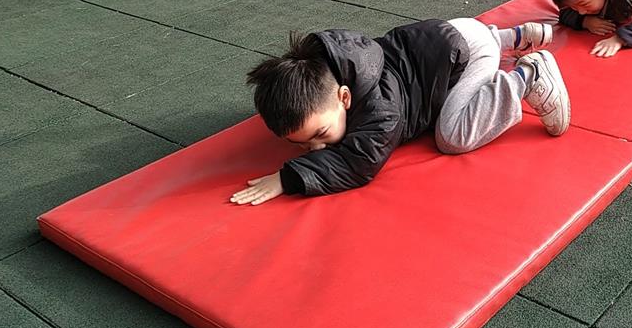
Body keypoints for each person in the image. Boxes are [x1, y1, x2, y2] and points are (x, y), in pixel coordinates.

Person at [231, 18, 570, 205]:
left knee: (452, 136)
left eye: (320, 135)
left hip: (465, 57)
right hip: (454, 37)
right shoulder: (331, 69)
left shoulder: (382, 109)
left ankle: (528, 77)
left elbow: (360, 162)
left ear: (345, 97)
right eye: (303, 145)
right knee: (444, 89)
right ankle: (510, 37)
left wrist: (290, 177)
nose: (316, 148)